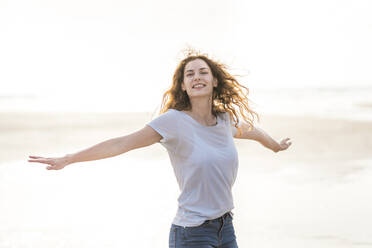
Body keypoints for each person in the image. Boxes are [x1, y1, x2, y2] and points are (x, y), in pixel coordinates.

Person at [28, 50, 292, 248]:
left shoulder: (225, 121)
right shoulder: (173, 122)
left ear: (214, 81)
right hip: (193, 233)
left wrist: (275, 147)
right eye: (190, 74)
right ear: (183, 86)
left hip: (226, 227)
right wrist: (69, 158)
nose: (196, 77)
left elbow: (254, 132)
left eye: (202, 72)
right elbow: (123, 143)